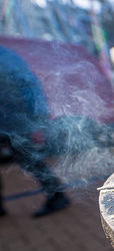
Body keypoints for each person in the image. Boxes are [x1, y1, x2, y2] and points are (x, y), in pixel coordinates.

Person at [0, 46, 70, 217]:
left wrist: (37, 116)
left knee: (29, 159)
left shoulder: (5, 57)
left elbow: (27, 83)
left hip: (15, 121)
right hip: (8, 121)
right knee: (28, 159)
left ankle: (57, 195)